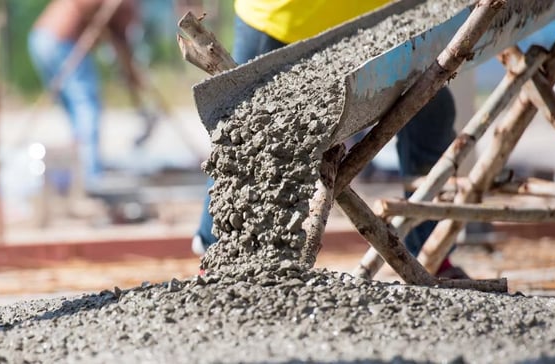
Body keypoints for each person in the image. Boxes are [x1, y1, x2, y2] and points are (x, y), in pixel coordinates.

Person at [191, 0, 468, 279]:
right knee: (247, 136)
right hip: (283, 20)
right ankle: (218, 258)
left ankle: (434, 253)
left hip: (379, 24)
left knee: (432, 114)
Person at [28, 0, 139, 193]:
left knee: (77, 113)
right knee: (87, 105)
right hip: (60, 40)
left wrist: (132, 79)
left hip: (42, 39)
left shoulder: (119, 10)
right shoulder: (122, 6)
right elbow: (84, 5)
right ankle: (90, 176)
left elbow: (122, 44)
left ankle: (80, 170)